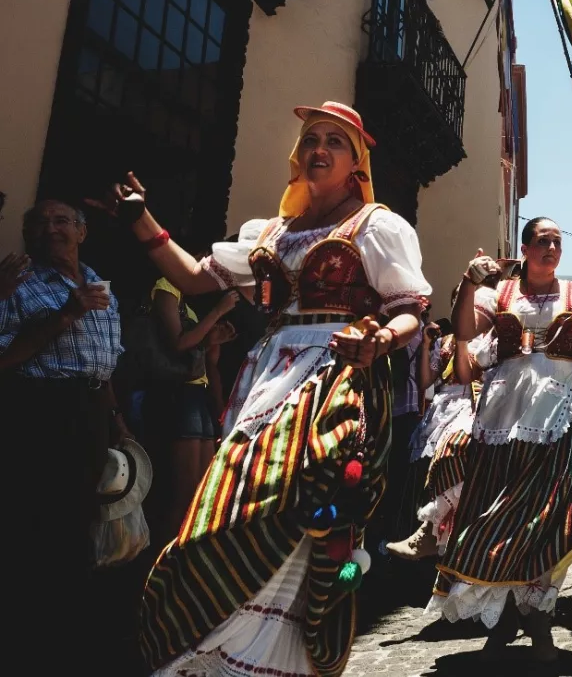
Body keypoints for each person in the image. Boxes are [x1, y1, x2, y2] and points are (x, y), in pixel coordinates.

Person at [88, 101, 431, 676]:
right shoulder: (270, 233)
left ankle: (275, 657)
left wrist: (380, 339)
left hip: (335, 378)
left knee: (297, 504)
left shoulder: (376, 226)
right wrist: (141, 219)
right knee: (228, 501)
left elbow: (410, 309)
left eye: (335, 141)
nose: (318, 148)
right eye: (311, 139)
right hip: (267, 378)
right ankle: (213, 645)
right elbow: (195, 277)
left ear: (356, 163)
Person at [429, 218, 572, 663]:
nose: (552, 248)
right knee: (497, 510)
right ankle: (506, 619)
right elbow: (465, 331)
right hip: (504, 416)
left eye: (557, 242)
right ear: (527, 249)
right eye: (543, 241)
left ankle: (539, 623)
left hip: (563, 412)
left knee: (546, 515)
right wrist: (468, 283)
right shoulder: (500, 294)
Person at [0, 199, 130, 670]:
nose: (50, 229)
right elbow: (4, 358)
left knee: (82, 520)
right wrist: (65, 315)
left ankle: (67, 633)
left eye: (61, 221)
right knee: (36, 525)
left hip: (91, 412)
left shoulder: (100, 286)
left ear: (82, 232)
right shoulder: (16, 284)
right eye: (39, 223)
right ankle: (27, 640)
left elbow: (104, 362)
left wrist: (117, 422)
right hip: (41, 411)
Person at [387, 293, 480, 560]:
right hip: (441, 408)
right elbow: (426, 381)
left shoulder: (487, 340)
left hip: (471, 405)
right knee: (421, 471)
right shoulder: (444, 342)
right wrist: (427, 345)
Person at [143, 278, 238, 538]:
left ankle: (187, 554)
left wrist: (212, 341)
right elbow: (178, 343)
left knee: (202, 493)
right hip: (178, 394)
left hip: (198, 394)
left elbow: (197, 352)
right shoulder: (165, 286)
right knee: (183, 494)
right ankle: (165, 556)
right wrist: (217, 311)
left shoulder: (189, 307)